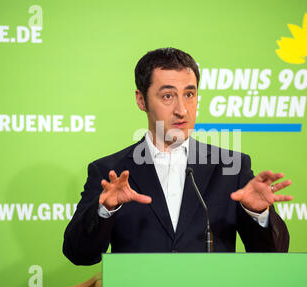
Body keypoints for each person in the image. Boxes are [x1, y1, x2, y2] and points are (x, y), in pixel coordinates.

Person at [63, 47, 292, 266]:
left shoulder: (231, 167)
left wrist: (257, 213)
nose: (182, 109)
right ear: (141, 100)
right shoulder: (110, 171)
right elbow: (78, 253)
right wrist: (105, 210)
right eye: (167, 96)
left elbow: (273, 255)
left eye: (189, 94)